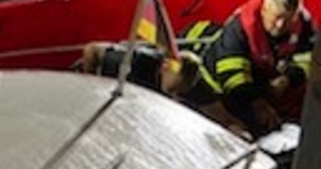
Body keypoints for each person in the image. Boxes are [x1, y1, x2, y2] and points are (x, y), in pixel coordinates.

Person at [198, 0, 314, 136]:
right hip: (220, 90)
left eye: (287, 21)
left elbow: (308, 58)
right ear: (264, 10)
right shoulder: (239, 28)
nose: (280, 26)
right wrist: (257, 104)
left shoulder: (303, 24)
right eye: (276, 18)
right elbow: (233, 76)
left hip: (265, 83)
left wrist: (288, 79)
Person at [80, 42, 253, 138]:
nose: (174, 94)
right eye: (172, 89)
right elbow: (91, 50)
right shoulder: (138, 61)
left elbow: (223, 117)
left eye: (179, 91)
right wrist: (92, 88)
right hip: (99, 89)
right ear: (164, 68)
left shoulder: (192, 84)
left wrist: (238, 132)